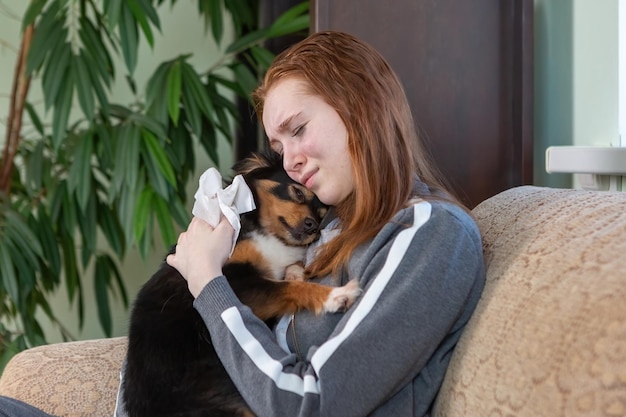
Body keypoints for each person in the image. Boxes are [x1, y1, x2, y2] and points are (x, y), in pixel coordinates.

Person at [0, 30, 485, 417]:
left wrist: (209, 282)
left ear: (361, 106)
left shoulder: (428, 234)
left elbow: (308, 403)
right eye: (279, 147)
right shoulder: (329, 231)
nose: (289, 160)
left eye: (298, 129)